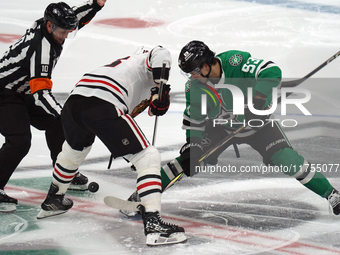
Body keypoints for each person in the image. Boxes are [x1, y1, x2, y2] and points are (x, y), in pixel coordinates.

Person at [121, 40, 340, 218]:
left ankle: (332, 195)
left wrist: (259, 100)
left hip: (258, 124)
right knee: (185, 161)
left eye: (195, 71)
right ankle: (144, 195)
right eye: (189, 73)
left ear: (207, 64)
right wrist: (193, 143)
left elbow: (271, 71)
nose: (193, 77)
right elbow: (194, 119)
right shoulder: (195, 86)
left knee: (286, 159)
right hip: (220, 128)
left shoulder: (235, 61)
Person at [37, 45, 187, 246]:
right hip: (103, 103)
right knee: (148, 156)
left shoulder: (124, 70)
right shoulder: (145, 60)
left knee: (74, 151)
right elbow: (161, 53)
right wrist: (161, 86)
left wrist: (157, 97)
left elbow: (137, 108)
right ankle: (153, 225)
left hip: (74, 104)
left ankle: (53, 200)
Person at [0, 1, 106, 213]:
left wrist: (95, 4)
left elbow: (76, 17)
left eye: (69, 31)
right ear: (49, 26)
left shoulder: (49, 26)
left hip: (21, 90)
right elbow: (41, 93)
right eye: (62, 31)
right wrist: (64, 114)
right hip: (4, 94)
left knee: (56, 124)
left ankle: (64, 171)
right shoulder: (41, 49)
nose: (65, 36)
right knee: (20, 141)